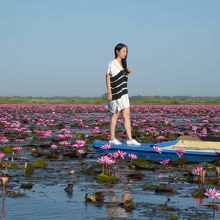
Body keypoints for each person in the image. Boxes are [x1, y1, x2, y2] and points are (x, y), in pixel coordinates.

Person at [105, 43, 141, 146]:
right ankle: (112, 138)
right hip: (116, 92)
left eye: (126, 52)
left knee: (127, 115)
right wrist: (109, 93)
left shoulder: (123, 64)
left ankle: (129, 139)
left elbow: (122, 78)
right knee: (115, 115)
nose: (125, 54)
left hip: (124, 93)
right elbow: (107, 77)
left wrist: (128, 72)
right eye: (124, 51)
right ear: (117, 51)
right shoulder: (112, 63)